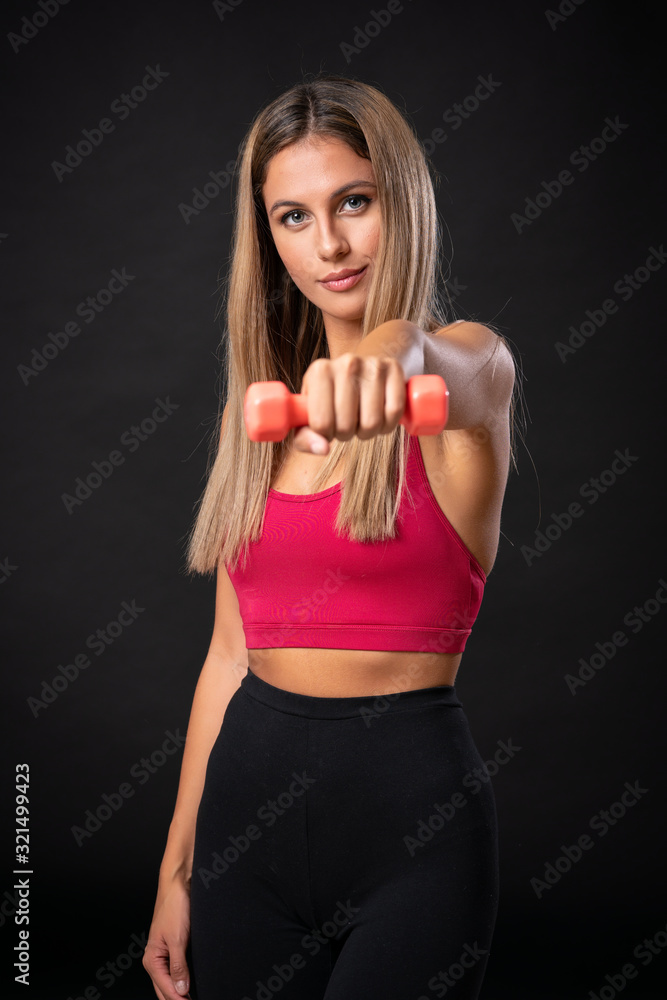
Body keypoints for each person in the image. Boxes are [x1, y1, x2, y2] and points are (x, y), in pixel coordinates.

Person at [143, 72, 520, 1000]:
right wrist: (176, 871)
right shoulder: (259, 415)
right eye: (294, 217)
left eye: (355, 201)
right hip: (244, 830)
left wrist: (397, 348)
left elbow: (469, 367)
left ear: (403, 202)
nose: (330, 245)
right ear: (267, 237)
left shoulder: (460, 378)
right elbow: (229, 655)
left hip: (414, 835)